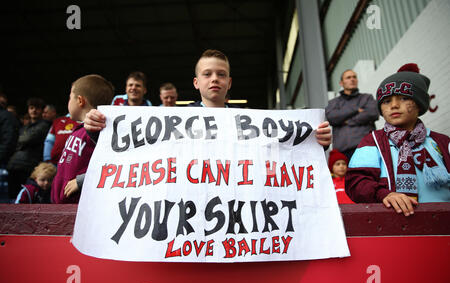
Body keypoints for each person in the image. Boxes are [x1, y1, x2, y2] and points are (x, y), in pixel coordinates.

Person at [84, 49, 332, 147]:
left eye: (221, 74)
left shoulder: (253, 122)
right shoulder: (176, 118)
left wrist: (315, 140)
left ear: (229, 83)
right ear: (196, 83)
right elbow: (139, 142)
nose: (215, 79)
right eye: (207, 74)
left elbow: (281, 149)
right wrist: (97, 129)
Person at [345, 64, 450, 216]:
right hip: (396, 229)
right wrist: (384, 194)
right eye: (386, 101)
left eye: (404, 98)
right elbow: (356, 182)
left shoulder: (442, 142)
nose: (394, 105)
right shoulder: (372, 142)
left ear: (420, 105)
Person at [51, 74, 114, 204]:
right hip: (61, 205)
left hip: (80, 207)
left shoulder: (98, 130)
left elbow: (113, 166)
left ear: (80, 100)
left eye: (70, 98)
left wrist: (82, 180)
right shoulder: (80, 129)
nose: (68, 102)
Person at [325, 69, 379, 160]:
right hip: (343, 153)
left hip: (367, 148)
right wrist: (356, 110)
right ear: (341, 83)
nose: (352, 79)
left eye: (354, 77)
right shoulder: (333, 102)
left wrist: (346, 121)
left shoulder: (367, 98)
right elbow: (331, 117)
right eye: (348, 77)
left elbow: (373, 113)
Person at [7, 97, 50, 199]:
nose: (34, 110)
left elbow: (24, 139)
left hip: (29, 166)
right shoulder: (25, 127)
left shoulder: (44, 125)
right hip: (14, 165)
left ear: (42, 110)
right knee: (12, 199)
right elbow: (16, 140)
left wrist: (19, 142)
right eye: (31, 108)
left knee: (26, 197)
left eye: (37, 108)